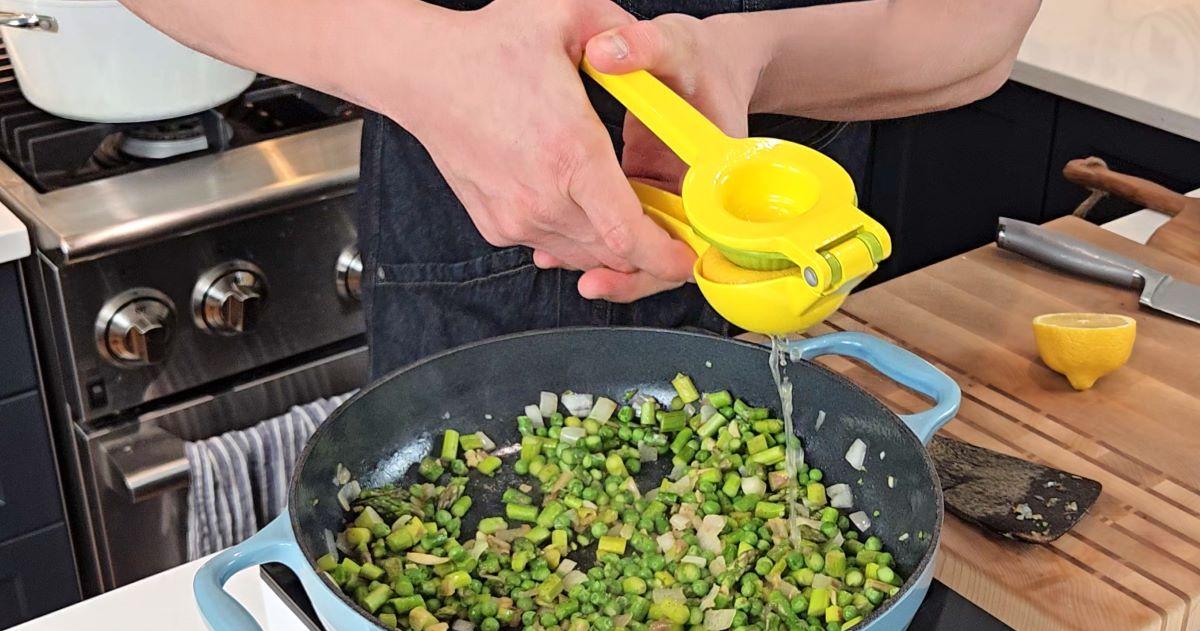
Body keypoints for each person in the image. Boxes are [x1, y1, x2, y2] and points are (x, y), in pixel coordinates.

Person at [122, 0, 1040, 377]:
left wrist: (740, 54)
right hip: (471, 215)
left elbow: (975, 28)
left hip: (779, 213)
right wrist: (415, 59)